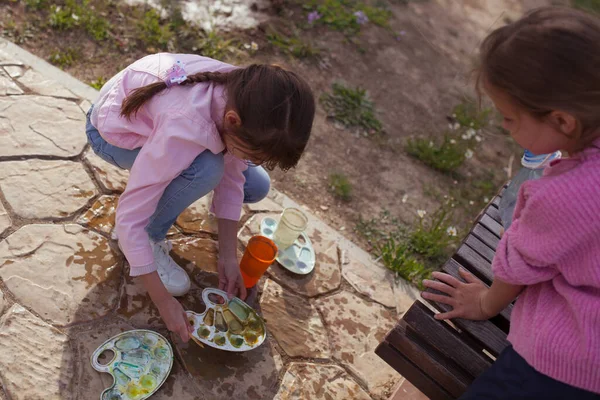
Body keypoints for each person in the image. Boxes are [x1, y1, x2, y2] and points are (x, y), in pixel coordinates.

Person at [422, 7, 600, 399]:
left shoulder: (565, 194)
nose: (505, 128)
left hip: (571, 365)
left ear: (563, 121)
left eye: (509, 118)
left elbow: (522, 263)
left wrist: (486, 302)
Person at [85, 53, 315, 342]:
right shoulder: (184, 128)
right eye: (255, 155)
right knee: (207, 170)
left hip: (153, 110)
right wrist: (163, 302)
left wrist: (228, 256)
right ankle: (153, 235)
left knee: (255, 186)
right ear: (232, 120)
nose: (254, 160)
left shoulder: (247, 95)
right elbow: (129, 217)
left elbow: (235, 177)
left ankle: (198, 178)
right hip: (111, 133)